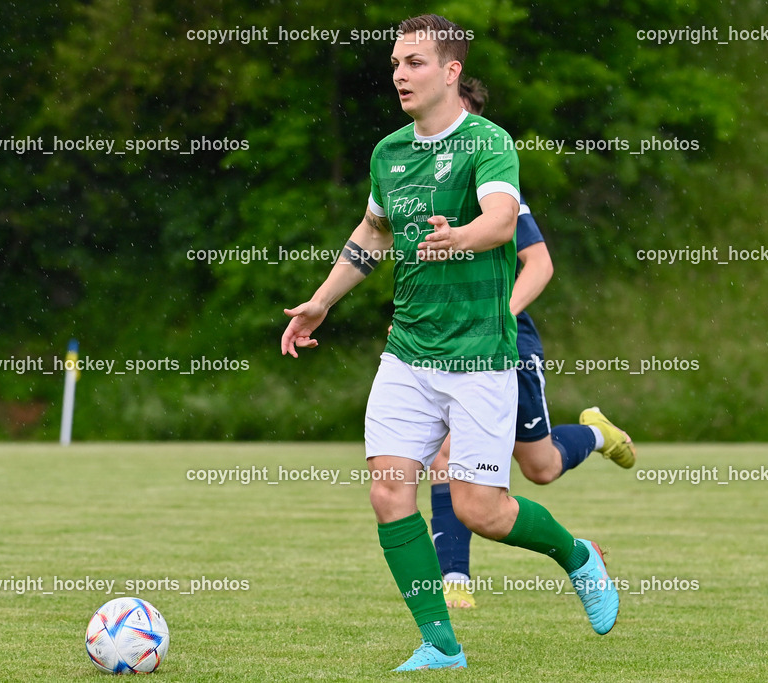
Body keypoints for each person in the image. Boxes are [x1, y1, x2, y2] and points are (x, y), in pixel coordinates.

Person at [281, 14, 619, 671]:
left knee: (481, 510)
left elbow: (499, 219)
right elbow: (373, 233)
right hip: (407, 352)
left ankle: (578, 556)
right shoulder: (389, 153)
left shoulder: (488, 143)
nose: (400, 74)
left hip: (478, 358)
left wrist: (459, 236)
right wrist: (323, 300)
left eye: (414, 63)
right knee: (388, 490)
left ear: (451, 70)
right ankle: (441, 643)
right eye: (396, 64)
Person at [429, 77, 636, 611]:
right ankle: (453, 578)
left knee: (539, 468)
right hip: (442, 343)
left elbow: (539, 264)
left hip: (504, 345)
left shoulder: (499, 191)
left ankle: (593, 434)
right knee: (444, 456)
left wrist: (497, 317)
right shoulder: (418, 181)